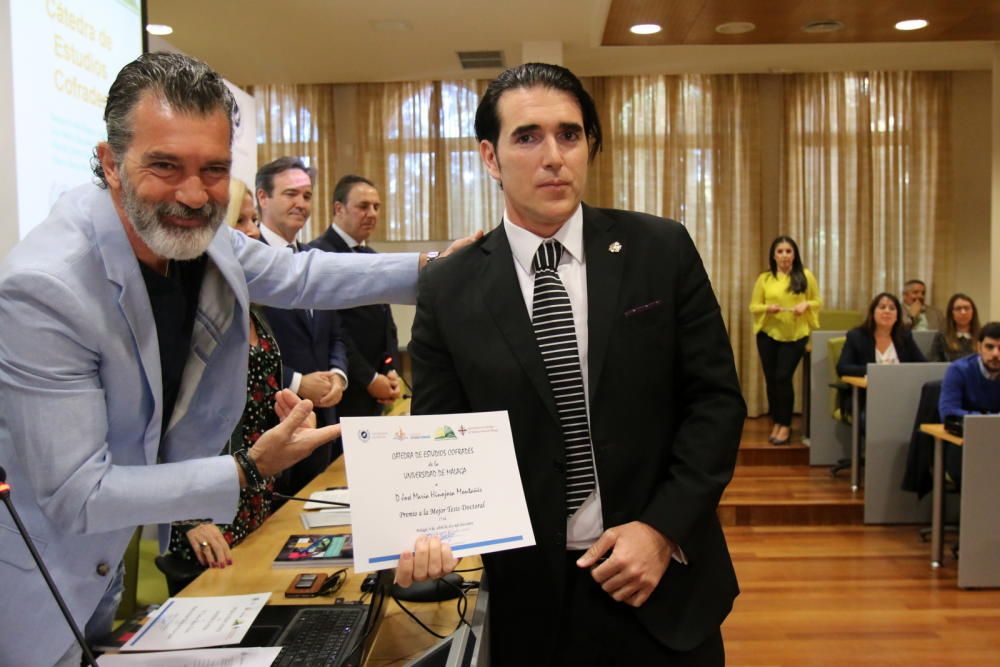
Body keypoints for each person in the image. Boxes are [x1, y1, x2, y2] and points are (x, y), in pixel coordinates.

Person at [0, 52, 471, 667]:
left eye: (215, 169)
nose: (194, 194)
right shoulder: (45, 288)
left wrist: (435, 271)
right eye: (165, 166)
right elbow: (78, 495)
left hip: (119, 562)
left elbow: (302, 276)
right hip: (42, 580)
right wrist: (248, 468)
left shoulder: (206, 237)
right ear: (109, 164)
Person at [399, 63, 746, 666]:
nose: (553, 155)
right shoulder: (450, 288)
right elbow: (438, 434)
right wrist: (427, 529)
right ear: (490, 156)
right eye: (528, 136)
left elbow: (715, 402)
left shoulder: (660, 251)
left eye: (570, 134)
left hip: (660, 584)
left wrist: (662, 531)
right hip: (530, 599)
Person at [167, 180, 284, 570]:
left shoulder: (246, 306)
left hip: (255, 493)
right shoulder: (185, 314)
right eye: (242, 220)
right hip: (204, 511)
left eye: (254, 219)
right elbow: (165, 426)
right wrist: (188, 517)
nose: (253, 230)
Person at [255, 157, 350, 491]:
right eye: (290, 194)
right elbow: (241, 349)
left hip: (323, 416)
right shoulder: (248, 259)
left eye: (307, 196)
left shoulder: (314, 258)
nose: (300, 203)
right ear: (262, 198)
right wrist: (296, 382)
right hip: (268, 423)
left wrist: (337, 376)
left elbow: (335, 333)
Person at [309, 175, 402, 417]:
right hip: (342, 390)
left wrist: (391, 369)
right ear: (338, 209)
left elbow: (386, 324)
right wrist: (369, 378)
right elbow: (336, 330)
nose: (372, 213)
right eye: (363, 206)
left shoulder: (371, 254)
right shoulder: (319, 255)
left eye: (376, 207)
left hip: (377, 388)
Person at [749, 235, 821, 444]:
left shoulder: (805, 276)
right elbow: (754, 306)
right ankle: (777, 423)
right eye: (780, 251)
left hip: (795, 335)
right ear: (773, 255)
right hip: (768, 335)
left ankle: (786, 424)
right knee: (772, 380)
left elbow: (817, 301)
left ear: (794, 254)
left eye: (788, 251)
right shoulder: (765, 278)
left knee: (783, 377)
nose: (784, 256)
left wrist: (805, 305)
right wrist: (767, 308)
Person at [937, 321, 1000, 486]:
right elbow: (948, 412)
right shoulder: (958, 370)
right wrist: (989, 419)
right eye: (990, 347)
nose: (996, 354)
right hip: (965, 442)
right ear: (979, 347)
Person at [838, 292, 927, 378]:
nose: (887, 311)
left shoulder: (904, 336)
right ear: (873, 313)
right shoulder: (857, 336)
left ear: (897, 316)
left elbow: (923, 365)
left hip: (901, 388)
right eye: (882, 307)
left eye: (892, 308)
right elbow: (843, 368)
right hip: (867, 389)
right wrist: (877, 370)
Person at [929, 293, 981, 362]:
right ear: (951, 313)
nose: (963, 312)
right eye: (958, 308)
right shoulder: (941, 337)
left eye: (967, 308)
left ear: (973, 312)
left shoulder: (982, 336)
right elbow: (934, 364)